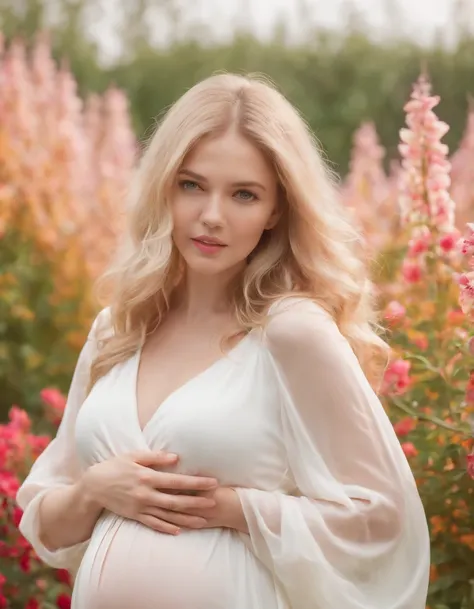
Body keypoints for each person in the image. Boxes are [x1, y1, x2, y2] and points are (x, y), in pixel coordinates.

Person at [16, 73, 430, 609]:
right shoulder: (118, 329)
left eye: (243, 194)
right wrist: (96, 490)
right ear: (164, 186)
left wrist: (229, 507)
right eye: (191, 184)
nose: (212, 216)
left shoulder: (292, 333)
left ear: (276, 209)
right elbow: (45, 521)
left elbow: (380, 518)